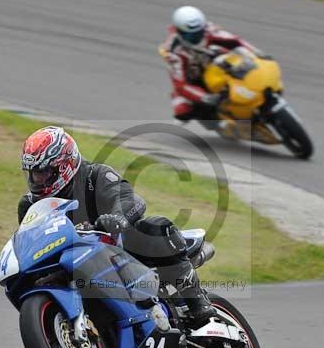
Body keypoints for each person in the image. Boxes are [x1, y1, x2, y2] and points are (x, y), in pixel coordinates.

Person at [17, 125, 216, 322]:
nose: (36, 179)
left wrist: (117, 218)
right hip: (73, 266)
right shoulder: (29, 205)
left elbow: (130, 200)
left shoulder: (95, 176)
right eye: (32, 173)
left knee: (156, 226)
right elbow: (29, 241)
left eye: (42, 172)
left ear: (64, 165)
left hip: (120, 252)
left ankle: (197, 300)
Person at [159, 5, 264, 122]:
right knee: (182, 111)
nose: (196, 37)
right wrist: (204, 97)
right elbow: (181, 84)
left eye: (199, 32)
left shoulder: (210, 29)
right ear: (178, 31)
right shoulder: (173, 52)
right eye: (190, 35)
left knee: (243, 61)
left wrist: (257, 53)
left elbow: (236, 41)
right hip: (194, 78)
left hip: (217, 63)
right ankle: (218, 120)